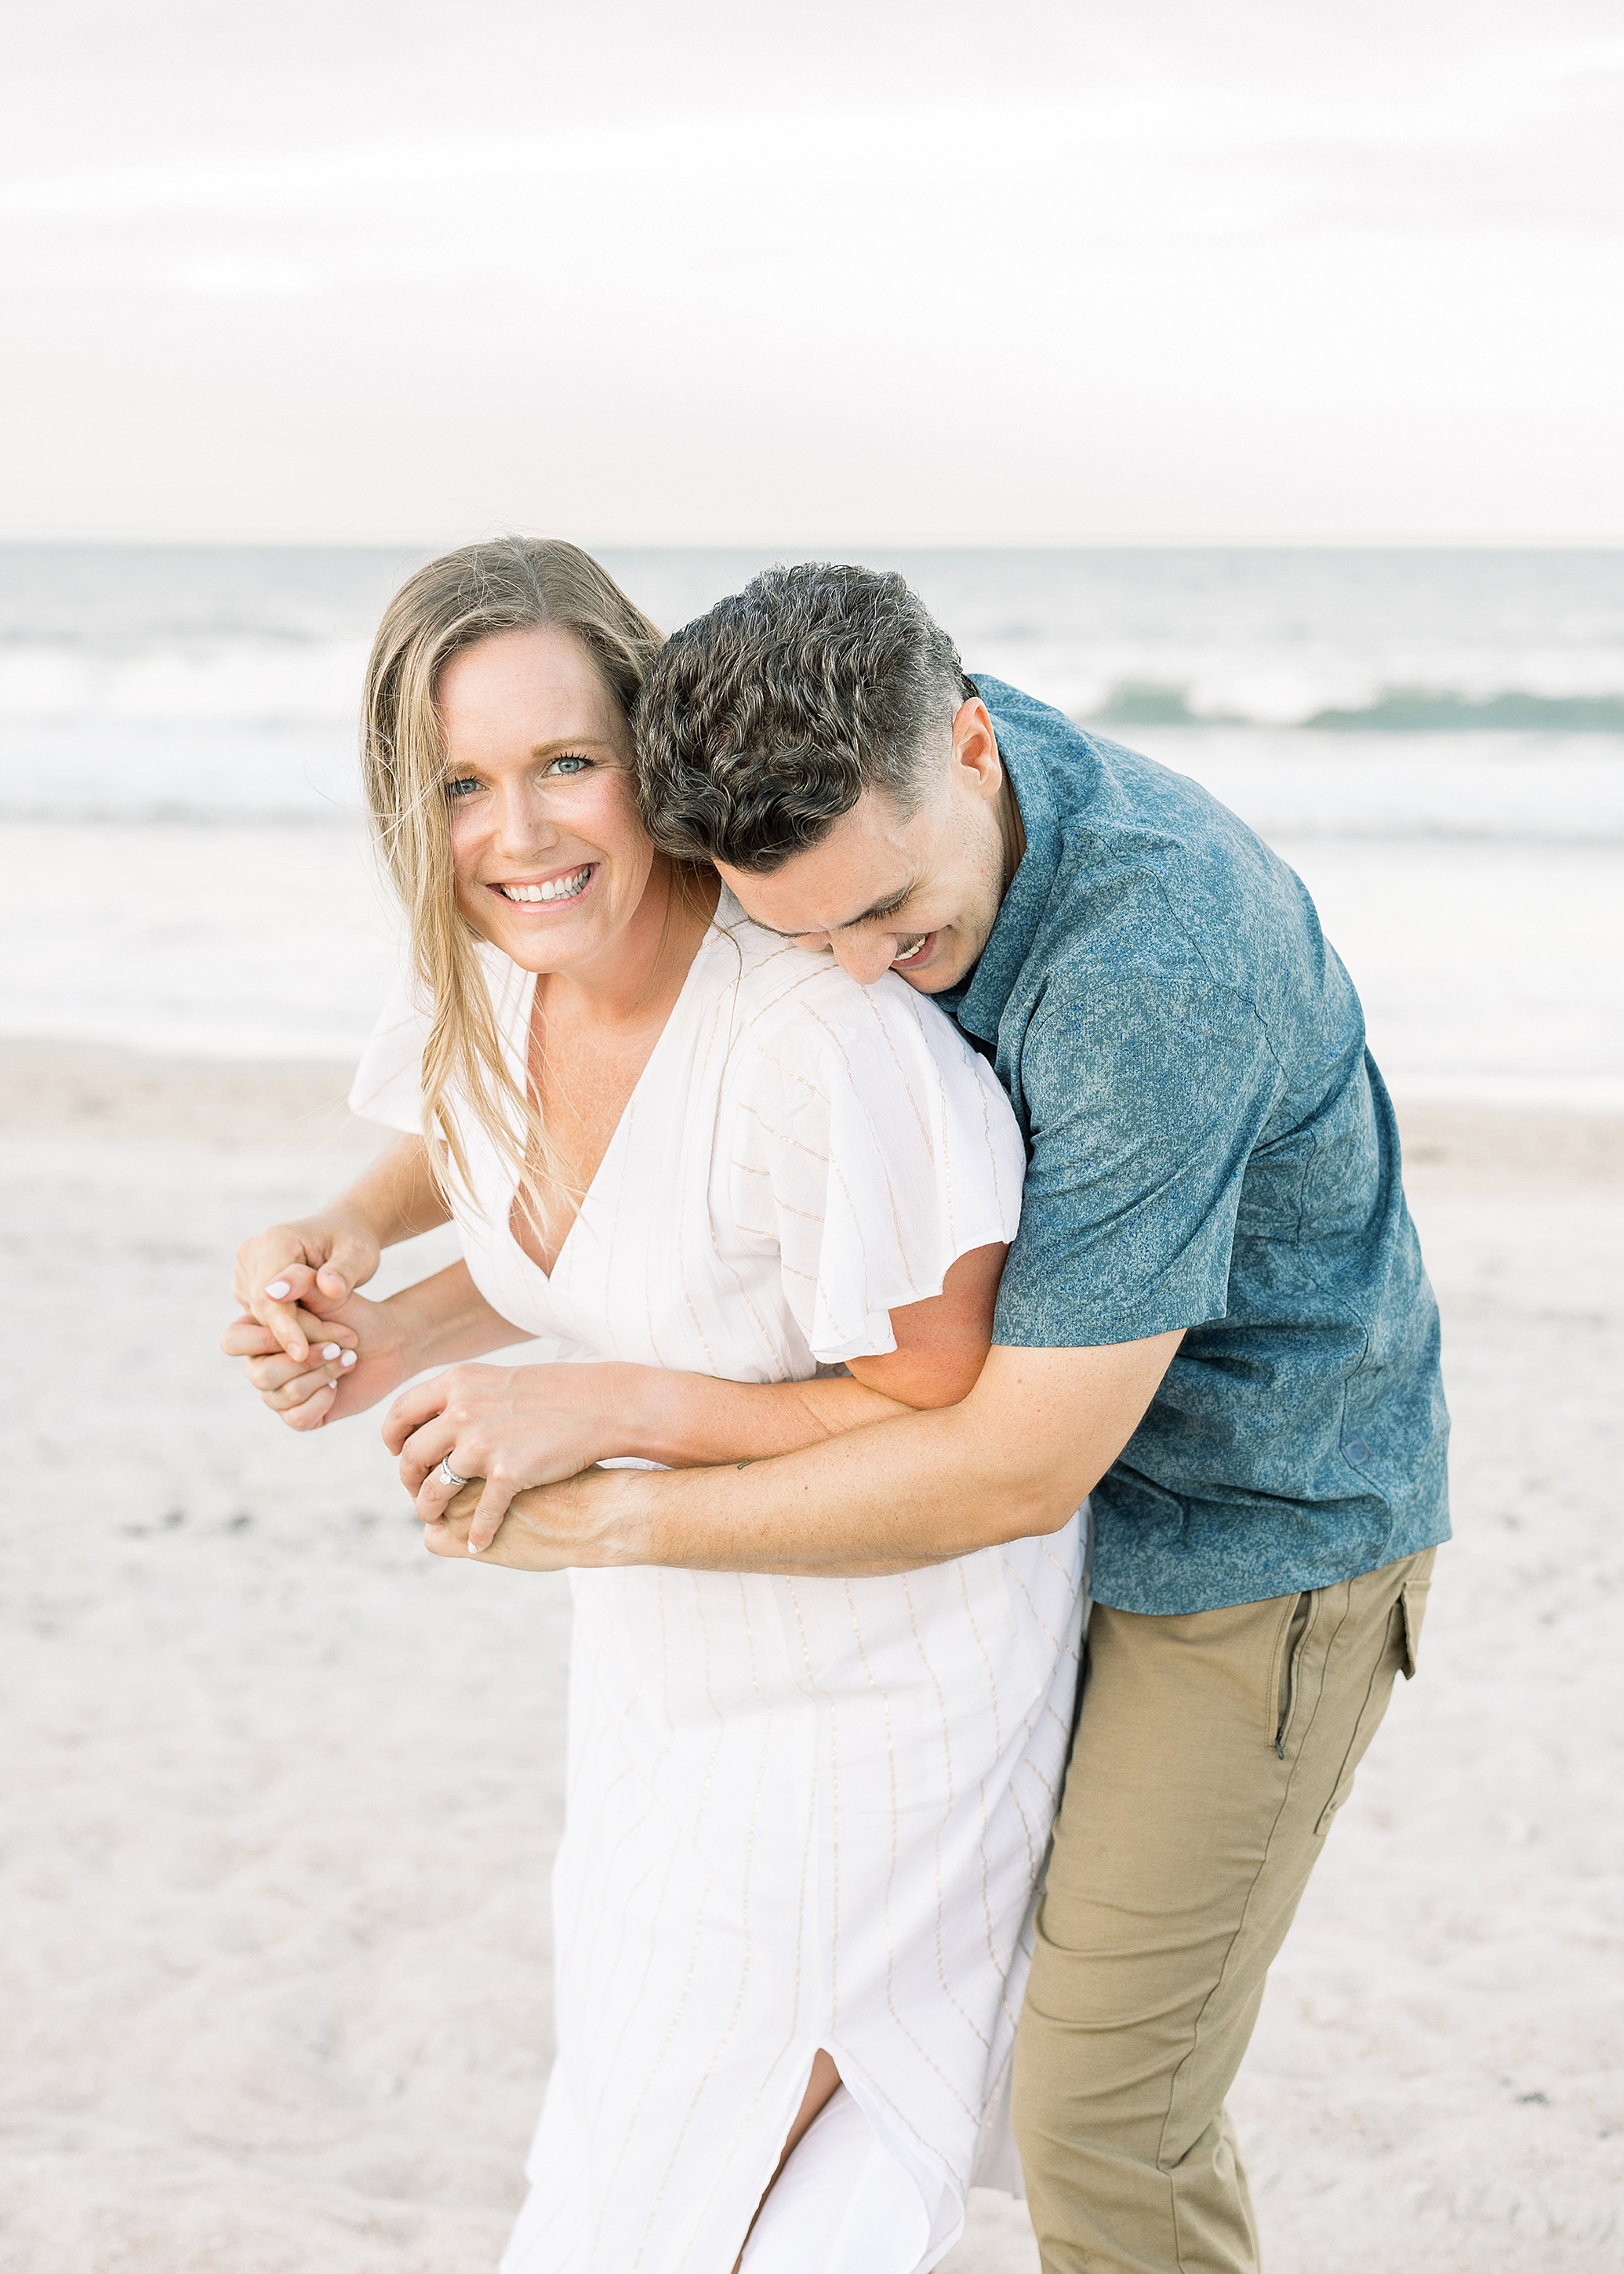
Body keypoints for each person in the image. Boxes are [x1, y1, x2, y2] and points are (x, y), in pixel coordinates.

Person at [431, 562, 1450, 2274]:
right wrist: (374, 1248)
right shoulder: (822, 782)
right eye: (801, 934)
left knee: (1101, 2115)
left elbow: (1012, 1464)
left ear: (972, 742)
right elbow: (645, 1075)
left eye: (894, 925)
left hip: (1245, 1536)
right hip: (1013, 1538)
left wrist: (613, 1504)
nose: (853, 975)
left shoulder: (1155, 968)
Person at [223, 539, 1084, 2274]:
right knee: (624, 2150)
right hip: (660, 1665)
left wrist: (605, 1406)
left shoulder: (807, 1047)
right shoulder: (489, 964)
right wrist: (361, 1280)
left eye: (565, 764)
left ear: (649, 752)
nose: (518, 835)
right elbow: (577, 1205)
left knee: (738, 2191)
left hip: (878, 1687)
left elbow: (936, 1392)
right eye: (462, 782)